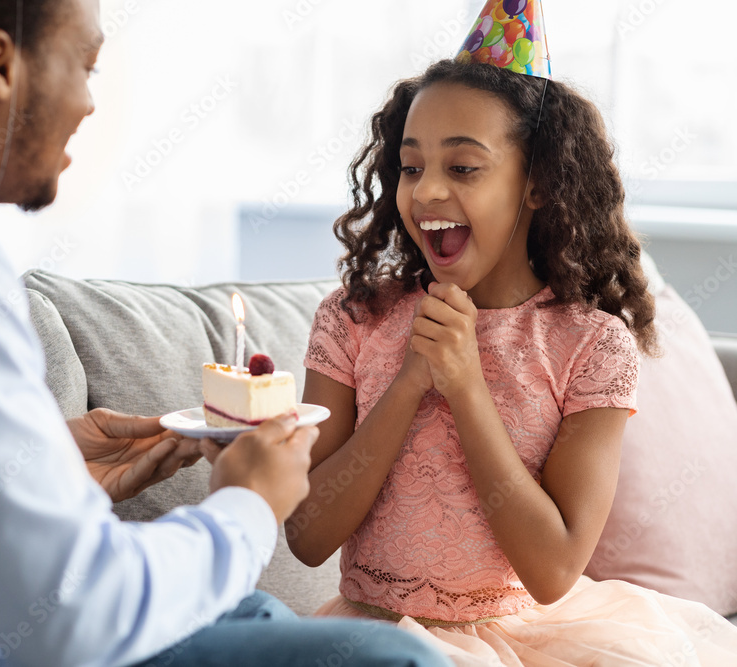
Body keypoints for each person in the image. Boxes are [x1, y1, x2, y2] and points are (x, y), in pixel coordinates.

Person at [0, 0, 457, 666]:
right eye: (86, 65)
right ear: (0, 63)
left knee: (255, 611)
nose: (88, 102)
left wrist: (37, 462)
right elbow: (70, 616)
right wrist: (250, 505)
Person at [284, 41, 737, 667]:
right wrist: (412, 380)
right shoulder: (355, 317)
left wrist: (465, 386)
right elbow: (307, 536)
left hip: (525, 641)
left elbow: (553, 569)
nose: (427, 193)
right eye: (411, 168)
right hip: (370, 640)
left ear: (537, 184)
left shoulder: (592, 345)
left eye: (463, 168)